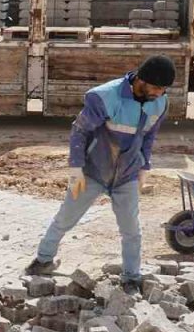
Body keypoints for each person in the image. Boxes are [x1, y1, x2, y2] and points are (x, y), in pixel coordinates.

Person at [24, 55, 175, 293]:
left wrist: (145, 165)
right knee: (65, 218)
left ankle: (131, 278)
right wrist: (76, 168)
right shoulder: (105, 97)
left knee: (131, 230)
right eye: (157, 87)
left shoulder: (160, 102)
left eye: (164, 89)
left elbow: (149, 136)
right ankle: (43, 260)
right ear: (141, 80)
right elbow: (80, 130)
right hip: (93, 172)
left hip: (127, 174)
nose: (160, 93)